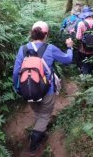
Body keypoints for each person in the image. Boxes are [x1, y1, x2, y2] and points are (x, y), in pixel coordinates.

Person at [12, 21, 74, 155]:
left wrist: (18, 89)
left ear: (31, 32)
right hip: (48, 90)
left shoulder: (22, 49)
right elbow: (68, 59)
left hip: (27, 90)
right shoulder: (50, 48)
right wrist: (69, 47)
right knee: (45, 115)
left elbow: (16, 72)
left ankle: (40, 128)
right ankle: (34, 144)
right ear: (45, 35)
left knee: (38, 111)